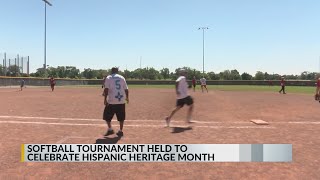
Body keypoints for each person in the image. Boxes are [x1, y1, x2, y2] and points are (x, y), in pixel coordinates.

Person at [103, 67, 129, 137]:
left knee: (106, 116)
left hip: (112, 101)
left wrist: (105, 99)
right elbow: (126, 89)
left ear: (111, 71)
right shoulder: (122, 77)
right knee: (121, 117)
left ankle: (110, 129)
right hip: (121, 100)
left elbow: (106, 89)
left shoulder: (109, 77)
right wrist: (127, 98)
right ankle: (120, 131)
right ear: (117, 71)